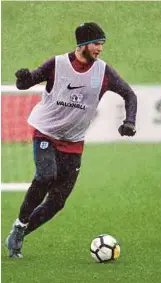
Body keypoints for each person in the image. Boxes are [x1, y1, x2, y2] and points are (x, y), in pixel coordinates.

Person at [5, 22, 137, 259]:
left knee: (57, 203)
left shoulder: (104, 72)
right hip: (45, 132)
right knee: (46, 176)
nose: (100, 49)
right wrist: (22, 79)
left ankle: (20, 232)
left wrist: (130, 122)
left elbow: (130, 94)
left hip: (74, 142)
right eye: (97, 44)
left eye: (102, 44)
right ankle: (21, 221)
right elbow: (27, 81)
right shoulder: (57, 64)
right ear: (82, 45)